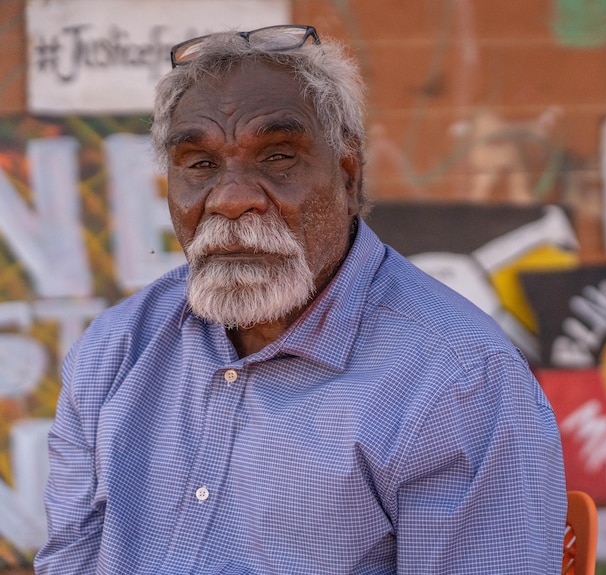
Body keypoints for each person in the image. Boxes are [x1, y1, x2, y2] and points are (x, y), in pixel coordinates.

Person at [35, 25, 566, 574]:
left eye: (278, 156)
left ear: (347, 175)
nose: (233, 199)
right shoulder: (113, 350)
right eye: (199, 164)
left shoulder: (458, 380)